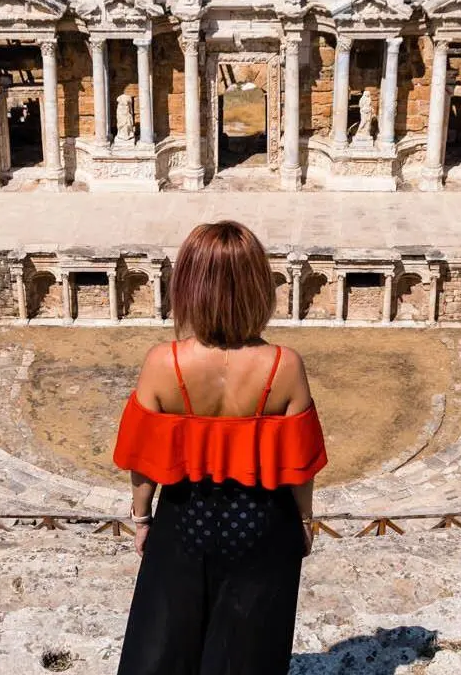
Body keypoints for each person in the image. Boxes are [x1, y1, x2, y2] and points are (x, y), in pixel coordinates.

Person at [114, 220, 327, 675]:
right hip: (263, 524)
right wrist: (305, 523)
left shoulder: (163, 362)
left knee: (165, 647)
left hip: (184, 520)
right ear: (258, 287)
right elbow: (300, 465)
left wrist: (141, 520)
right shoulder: (284, 366)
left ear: (188, 286)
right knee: (248, 654)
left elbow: (142, 459)